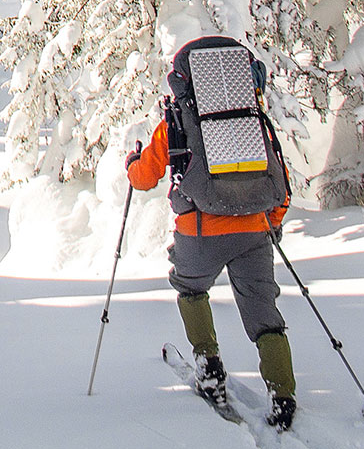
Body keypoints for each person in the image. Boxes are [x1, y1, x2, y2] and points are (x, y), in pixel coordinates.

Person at [125, 77, 297, 429]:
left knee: (190, 289)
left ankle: (209, 364)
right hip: (254, 231)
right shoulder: (251, 121)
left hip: (200, 230)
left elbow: (144, 178)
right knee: (264, 313)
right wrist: (272, 225)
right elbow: (281, 183)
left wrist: (132, 163)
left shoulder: (177, 121)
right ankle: (282, 393)